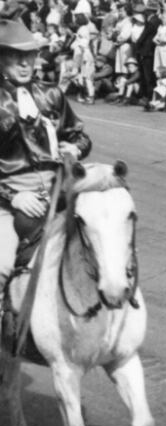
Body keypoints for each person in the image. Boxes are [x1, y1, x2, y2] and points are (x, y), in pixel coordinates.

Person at [0, 18, 92, 305]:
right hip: (9, 202)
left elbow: (80, 137)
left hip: (58, 193)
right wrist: (13, 197)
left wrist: (75, 149)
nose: (26, 63)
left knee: (104, 239)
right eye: (17, 57)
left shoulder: (51, 93)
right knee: (0, 265)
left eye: (29, 55)